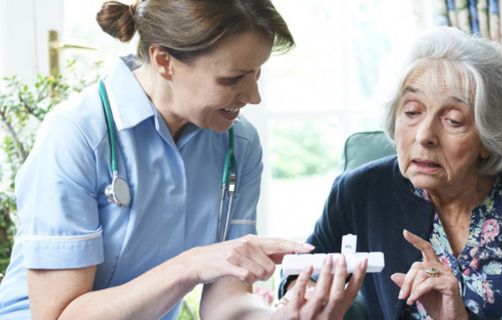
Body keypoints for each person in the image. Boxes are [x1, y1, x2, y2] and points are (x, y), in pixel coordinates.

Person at [0, 0, 367, 319]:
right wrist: (190, 265)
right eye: (233, 78)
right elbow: (58, 315)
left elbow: (225, 304)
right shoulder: (77, 134)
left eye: (257, 73)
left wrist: (283, 314)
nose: (253, 95)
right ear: (164, 61)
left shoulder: (238, 143)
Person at [281, 26, 502, 319]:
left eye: (454, 120)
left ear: (487, 139)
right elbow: (300, 270)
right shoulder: (359, 193)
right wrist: (303, 292)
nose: (424, 136)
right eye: (411, 112)